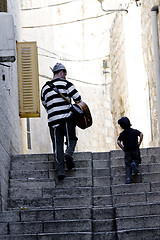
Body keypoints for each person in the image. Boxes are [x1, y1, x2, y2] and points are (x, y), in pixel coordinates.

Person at [41, 63, 82, 180]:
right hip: (67, 118)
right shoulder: (67, 84)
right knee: (72, 139)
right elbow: (78, 99)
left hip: (53, 121)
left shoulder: (44, 88)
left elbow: (45, 104)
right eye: (65, 74)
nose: (65, 76)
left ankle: (60, 170)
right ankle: (68, 153)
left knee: (57, 145)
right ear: (61, 72)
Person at [117, 117, 143, 184]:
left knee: (128, 165)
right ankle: (135, 164)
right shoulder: (134, 131)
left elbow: (118, 142)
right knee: (137, 160)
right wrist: (139, 143)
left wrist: (123, 148)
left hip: (127, 151)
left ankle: (129, 178)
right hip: (135, 149)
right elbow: (141, 134)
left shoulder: (122, 134)